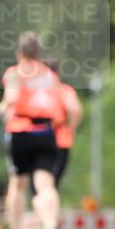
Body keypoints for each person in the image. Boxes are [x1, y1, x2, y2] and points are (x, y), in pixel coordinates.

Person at [0, 32, 65, 229]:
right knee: (45, 184)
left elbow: (12, 99)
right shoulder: (49, 75)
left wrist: (3, 107)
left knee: (17, 183)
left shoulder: (15, 73)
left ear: (19, 53)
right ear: (38, 53)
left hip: (22, 131)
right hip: (47, 132)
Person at [44, 58, 83, 189]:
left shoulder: (37, 91)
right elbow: (76, 110)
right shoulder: (64, 90)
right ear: (58, 72)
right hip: (60, 138)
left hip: (39, 135)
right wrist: (71, 129)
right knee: (54, 181)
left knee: (41, 181)